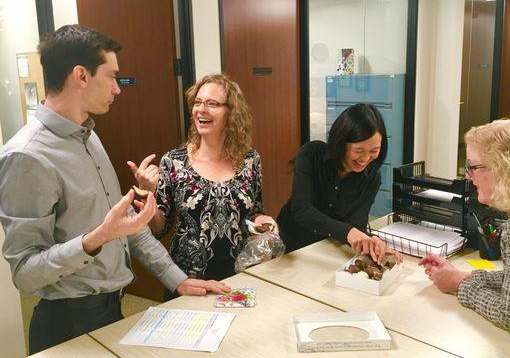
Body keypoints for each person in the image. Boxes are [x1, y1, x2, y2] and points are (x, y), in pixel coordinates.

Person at [0, 25, 230, 354]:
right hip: (68, 325)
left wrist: (176, 278)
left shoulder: (88, 136)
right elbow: (24, 273)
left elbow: (124, 229)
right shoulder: (27, 156)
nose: (118, 89)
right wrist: (96, 239)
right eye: (112, 76)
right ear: (81, 75)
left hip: (111, 311)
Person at [130, 73, 276, 299]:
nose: (201, 110)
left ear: (231, 112)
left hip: (239, 276)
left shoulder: (250, 159)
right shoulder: (174, 161)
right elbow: (160, 228)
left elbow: (255, 210)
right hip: (190, 282)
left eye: (212, 104)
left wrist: (263, 222)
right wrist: (148, 193)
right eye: (197, 103)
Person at [419, 120, 510, 352]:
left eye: (473, 166)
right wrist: (466, 276)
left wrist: (460, 286)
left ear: (505, 168)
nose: (469, 176)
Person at [277, 103, 396, 263]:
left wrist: (370, 241)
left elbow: (357, 223)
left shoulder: (372, 177)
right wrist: (348, 232)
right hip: (290, 247)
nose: (366, 158)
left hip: (328, 250)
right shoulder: (311, 154)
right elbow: (302, 210)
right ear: (341, 142)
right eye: (359, 151)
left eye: (374, 151)